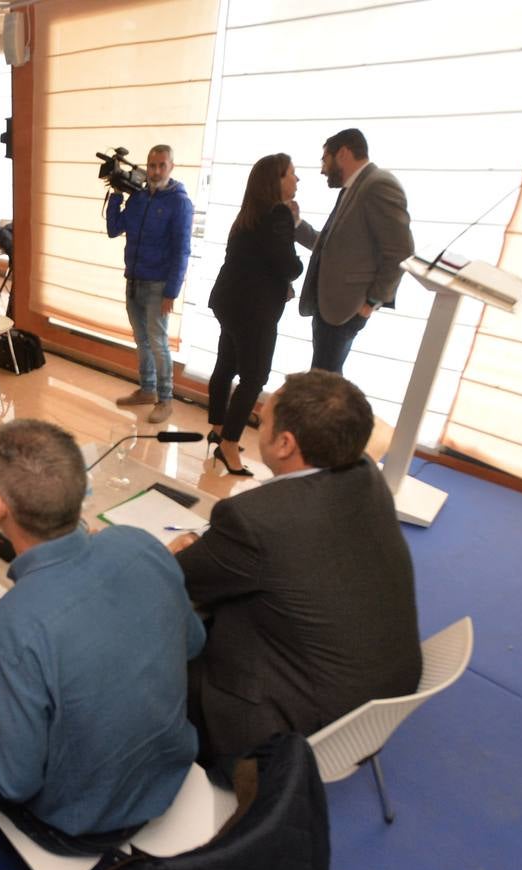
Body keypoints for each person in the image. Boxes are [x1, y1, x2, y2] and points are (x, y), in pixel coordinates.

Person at [0, 419, 204, 854]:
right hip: (172, 772)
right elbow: (193, 642)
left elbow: (10, 779)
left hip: (88, 824)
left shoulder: (15, 624)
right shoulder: (139, 545)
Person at [172, 370, 421, 762]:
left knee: (144, 644)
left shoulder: (254, 520)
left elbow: (178, 579)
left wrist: (179, 550)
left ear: (286, 444)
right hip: (381, 701)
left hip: (287, 735)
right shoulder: (367, 477)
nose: (258, 424)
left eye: (263, 420)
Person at [205, 153, 304, 477]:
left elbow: (255, 260)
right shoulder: (279, 214)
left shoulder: (248, 214)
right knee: (254, 377)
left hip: (229, 301)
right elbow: (289, 265)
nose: (297, 180)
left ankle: (219, 429)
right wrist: (295, 227)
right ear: (276, 180)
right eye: (292, 174)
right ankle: (229, 445)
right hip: (253, 310)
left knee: (226, 367)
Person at [295, 128, 414, 374]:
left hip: (345, 309)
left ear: (344, 153)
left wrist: (371, 301)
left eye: (324, 159)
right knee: (322, 377)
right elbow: (331, 245)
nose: (322, 169)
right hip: (330, 307)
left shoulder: (378, 185)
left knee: (324, 383)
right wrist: (296, 225)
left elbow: (401, 251)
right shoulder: (353, 189)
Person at [105, 144, 193, 424]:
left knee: (157, 343)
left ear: (171, 167)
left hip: (158, 285)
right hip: (133, 279)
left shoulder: (180, 202)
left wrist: (171, 292)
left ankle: (165, 400)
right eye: (151, 165)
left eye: (161, 165)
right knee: (141, 341)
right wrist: (116, 197)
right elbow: (114, 229)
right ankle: (146, 390)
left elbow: (182, 250)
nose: (155, 171)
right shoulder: (139, 198)